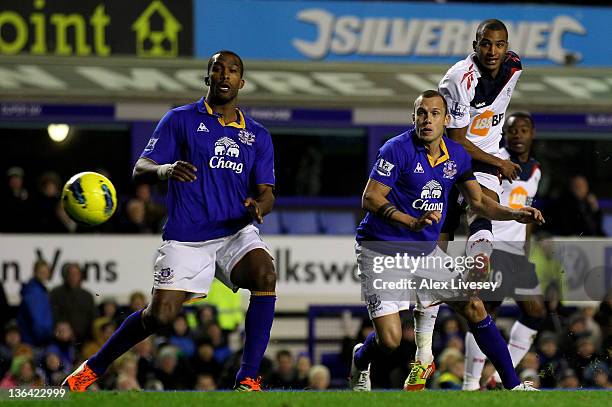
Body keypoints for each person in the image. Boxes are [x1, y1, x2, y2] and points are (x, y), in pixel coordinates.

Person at [63, 50, 277, 392]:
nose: (225, 75)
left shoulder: (257, 135)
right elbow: (140, 169)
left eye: (232, 70)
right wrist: (166, 169)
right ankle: (92, 368)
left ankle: (248, 378)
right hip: (188, 235)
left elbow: (267, 192)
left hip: (235, 231)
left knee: (265, 273)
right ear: (208, 77)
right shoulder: (179, 119)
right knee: (159, 316)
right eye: (217, 69)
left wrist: (259, 207)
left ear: (242, 81)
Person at [349, 90, 542, 392]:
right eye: (421, 113)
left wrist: (514, 214)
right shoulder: (395, 149)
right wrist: (410, 221)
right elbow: (370, 198)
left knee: (474, 307)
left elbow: (478, 202)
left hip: (424, 251)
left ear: (446, 119)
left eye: (434, 114)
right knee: (390, 340)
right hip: (381, 248)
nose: (427, 119)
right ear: (413, 117)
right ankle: (360, 359)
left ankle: (513, 385)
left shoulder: (458, 155)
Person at [463, 112, 546, 390]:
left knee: (535, 311)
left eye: (524, 130)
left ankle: (498, 378)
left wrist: (526, 248)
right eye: (513, 130)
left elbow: (529, 212)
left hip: (517, 254)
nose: (518, 135)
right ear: (505, 134)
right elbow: (478, 201)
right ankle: (471, 382)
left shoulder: (536, 170)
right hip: (493, 247)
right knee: (485, 312)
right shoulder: (494, 160)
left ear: (532, 134)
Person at [437, 19, 522, 279]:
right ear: (475, 46)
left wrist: (494, 161)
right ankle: (427, 312)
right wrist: (500, 163)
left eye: (499, 45)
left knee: (483, 203)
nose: (492, 51)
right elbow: (458, 140)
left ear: (507, 48)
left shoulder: (514, 67)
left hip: (485, 154)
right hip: (446, 154)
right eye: (486, 44)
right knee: (440, 235)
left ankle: (478, 261)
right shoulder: (460, 78)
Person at [50, 263, 97, 344]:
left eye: (76, 274)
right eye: (71, 274)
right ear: (65, 276)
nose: (74, 277)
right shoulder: (56, 293)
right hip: (62, 340)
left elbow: (93, 317)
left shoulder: (87, 296)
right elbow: (54, 315)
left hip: (84, 341)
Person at [17, 260, 54, 347]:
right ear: (35, 272)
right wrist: (45, 337)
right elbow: (38, 319)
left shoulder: (39, 290)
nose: (44, 274)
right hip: (35, 340)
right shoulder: (34, 291)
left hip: (34, 337)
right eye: (41, 272)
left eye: (46, 272)